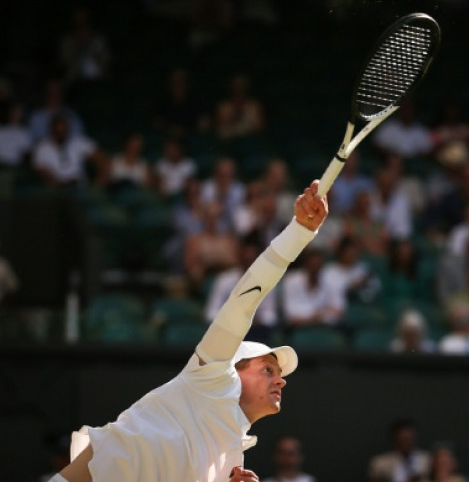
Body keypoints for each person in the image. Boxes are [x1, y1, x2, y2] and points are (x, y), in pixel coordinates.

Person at [55, 181, 327, 482]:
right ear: (234, 370)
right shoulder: (210, 378)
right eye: (267, 369)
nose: (280, 380)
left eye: (277, 373)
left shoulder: (232, 459)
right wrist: (299, 233)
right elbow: (244, 300)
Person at [205, 237, 279, 342]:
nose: (249, 263)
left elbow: (271, 317)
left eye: (252, 260)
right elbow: (210, 313)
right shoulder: (224, 280)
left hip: (255, 332)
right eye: (246, 259)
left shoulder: (268, 281)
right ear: (239, 258)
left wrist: (257, 318)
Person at [32, 115, 103, 187]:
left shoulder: (78, 142)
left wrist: (97, 184)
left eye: (64, 130)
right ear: (51, 130)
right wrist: (60, 184)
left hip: (80, 186)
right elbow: (41, 171)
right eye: (58, 131)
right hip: (56, 189)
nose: (61, 134)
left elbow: (101, 160)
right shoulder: (42, 148)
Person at [281, 249, 341, 328]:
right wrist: (317, 315)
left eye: (318, 266)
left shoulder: (330, 280)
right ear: (305, 265)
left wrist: (312, 317)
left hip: (323, 327)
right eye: (312, 265)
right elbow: (290, 315)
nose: (315, 269)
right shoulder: (291, 280)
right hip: (296, 329)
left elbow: (338, 311)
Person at [217, 75, 265, 140]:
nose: (239, 89)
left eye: (241, 86)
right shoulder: (224, 106)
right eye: (236, 86)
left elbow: (259, 128)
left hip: (249, 140)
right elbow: (219, 127)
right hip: (228, 140)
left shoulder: (254, 105)